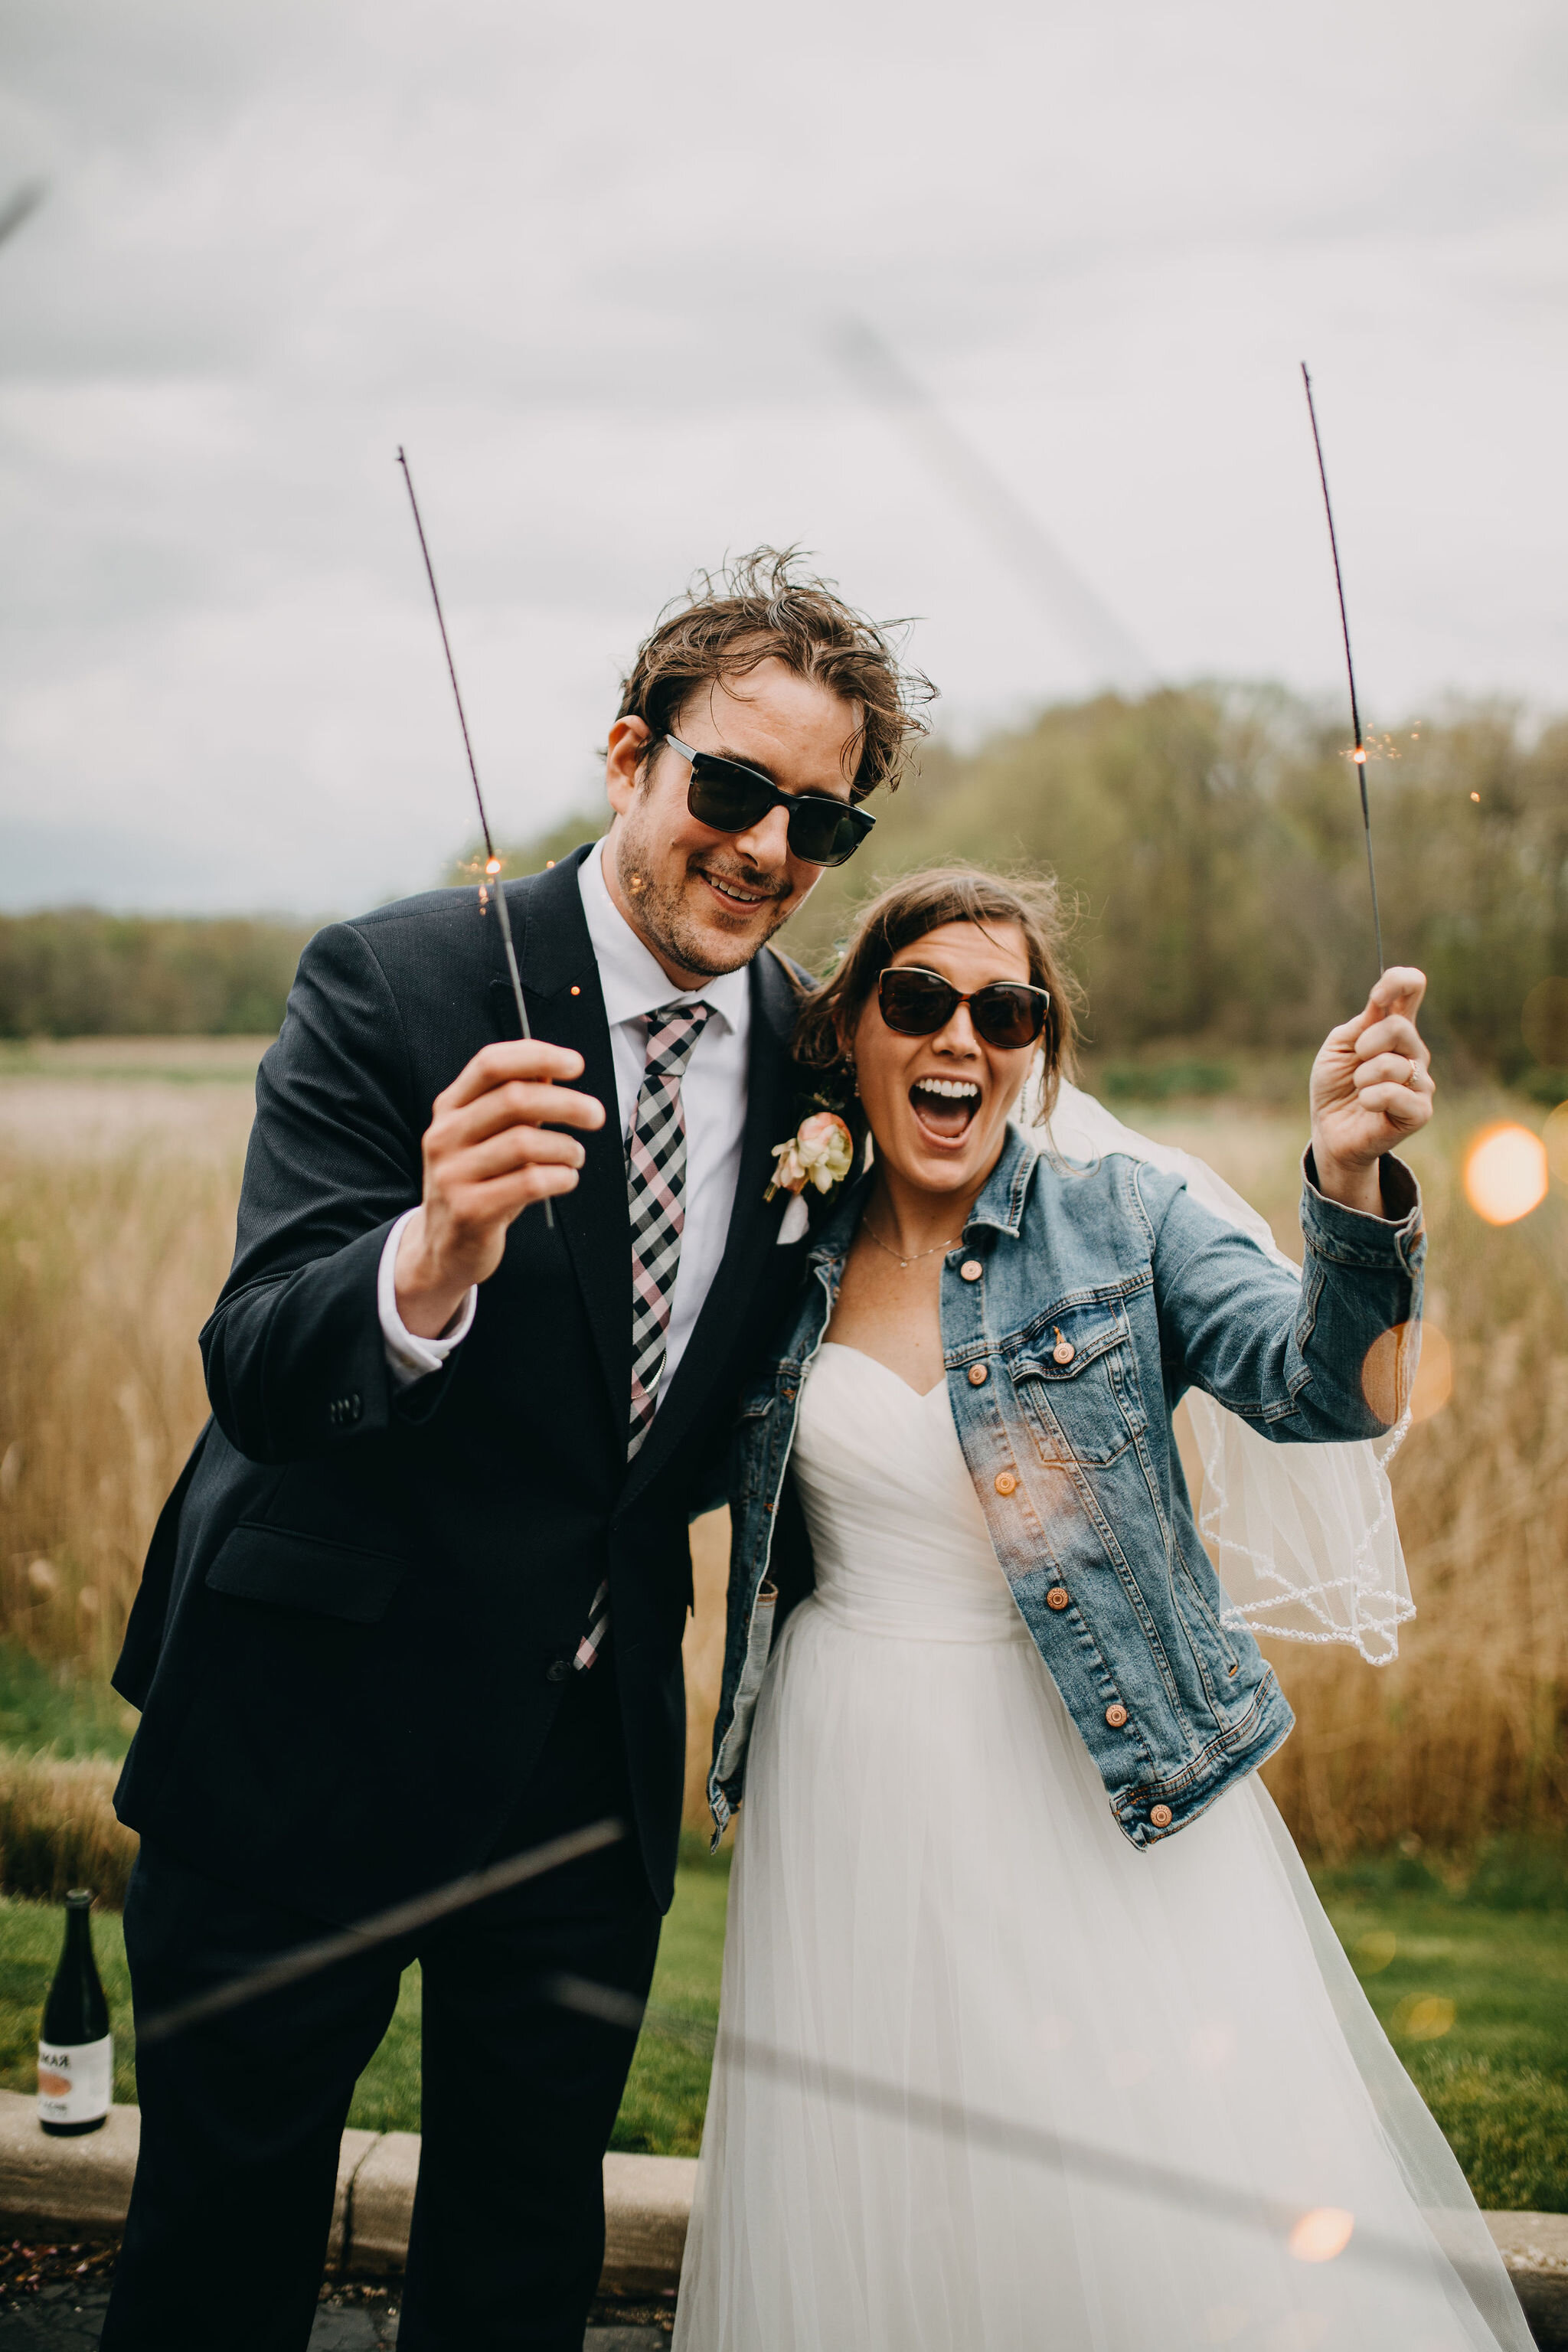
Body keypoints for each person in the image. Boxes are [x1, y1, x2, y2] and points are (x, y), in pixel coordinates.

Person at [100, 552, 931, 2352]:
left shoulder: (816, 1066)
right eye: (731, 787)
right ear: (630, 754)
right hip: (302, 1731)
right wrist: (429, 1258)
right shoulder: (392, 980)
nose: (768, 849)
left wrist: (1350, 1191)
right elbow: (255, 1359)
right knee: (218, 2256)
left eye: (820, 822)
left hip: (580, 1767)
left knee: (516, 2268)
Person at [675, 869, 1534, 2352]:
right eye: (918, 999)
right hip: (842, 1765)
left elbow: (1327, 1392)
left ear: (1038, 1046)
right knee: (877, 2186)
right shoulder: (785, 1249)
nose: (961, 1034)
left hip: (1079, 1761)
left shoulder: (1123, 1220)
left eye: (1004, 1009)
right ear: (855, 1031)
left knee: (1138, 2174)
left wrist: (1344, 1178)